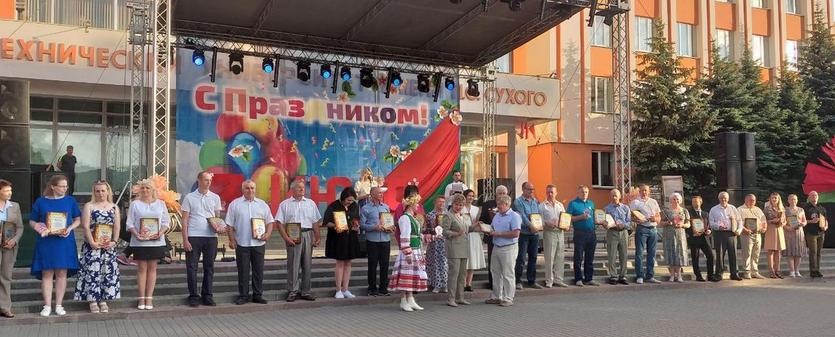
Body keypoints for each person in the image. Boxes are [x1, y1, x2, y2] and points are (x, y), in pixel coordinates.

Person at [30, 174, 81, 317]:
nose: (65, 188)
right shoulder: (41, 201)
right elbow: (32, 221)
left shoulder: (70, 201)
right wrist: (39, 227)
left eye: (66, 186)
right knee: (47, 273)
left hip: (64, 241)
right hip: (46, 242)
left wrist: (69, 229)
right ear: (53, 186)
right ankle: (47, 305)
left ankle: (59, 305)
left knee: (61, 273)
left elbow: (78, 219)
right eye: (62, 186)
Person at [74, 181, 121, 313]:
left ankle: (103, 299)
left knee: (106, 272)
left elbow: (117, 227)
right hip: (92, 246)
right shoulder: (89, 206)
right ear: (94, 192)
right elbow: (85, 226)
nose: (100, 193)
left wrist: (114, 242)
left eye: (103, 190)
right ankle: (92, 300)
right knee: (92, 272)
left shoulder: (114, 207)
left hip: (108, 247)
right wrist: (92, 242)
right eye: (97, 191)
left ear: (108, 191)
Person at [180, 171, 225, 307]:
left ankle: (207, 295)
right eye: (205, 180)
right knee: (192, 267)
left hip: (211, 237)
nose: (208, 182)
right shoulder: (189, 197)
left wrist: (220, 227)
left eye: (210, 180)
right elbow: (185, 220)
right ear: (199, 180)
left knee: (209, 267)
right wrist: (185, 239)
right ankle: (193, 296)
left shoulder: (215, 197)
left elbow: (216, 217)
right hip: (194, 236)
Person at [225, 180, 273, 305]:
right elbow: (229, 224)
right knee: (243, 271)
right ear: (242, 190)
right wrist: (231, 239)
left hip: (259, 244)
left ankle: (257, 295)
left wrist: (267, 234)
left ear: (255, 189)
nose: (250, 190)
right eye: (247, 188)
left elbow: (270, 222)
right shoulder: (235, 204)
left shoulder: (262, 204)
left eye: (252, 188)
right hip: (242, 243)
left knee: (258, 271)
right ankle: (243, 295)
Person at [126, 178, 171, 310]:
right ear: (140, 190)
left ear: (153, 190)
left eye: (148, 188)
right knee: (141, 269)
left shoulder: (161, 204)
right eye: (143, 188)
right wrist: (136, 233)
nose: (145, 190)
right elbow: (129, 223)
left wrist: (160, 232)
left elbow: (166, 222)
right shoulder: (135, 204)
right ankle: (141, 298)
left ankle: (149, 298)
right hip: (140, 241)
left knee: (152, 269)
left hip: (156, 241)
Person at [276, 179, 322, 302]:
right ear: (292, 189)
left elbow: (315, 222)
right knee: (293, 264)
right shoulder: (285, 204)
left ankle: (306, 291)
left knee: (307, 264)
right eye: (299, 187)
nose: (302, 189)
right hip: (293, 236)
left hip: (308, 234)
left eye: (303, 187)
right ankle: (292, 291)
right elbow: (279, 223)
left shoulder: (310, 203)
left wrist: (318, 237)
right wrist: (286, 238)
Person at [389, 193, 428, 312]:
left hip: (415, 249)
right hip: (409, 251)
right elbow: (404, 235)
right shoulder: (405, 218)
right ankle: (403, 300)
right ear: (411, 205)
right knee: (405, 276)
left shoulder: (413, 218)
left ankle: (410, 298)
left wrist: (431, 237)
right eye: (416, 203)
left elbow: (417, 234)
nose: (418, 206)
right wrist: (407, 252)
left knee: (411, 276)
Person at [323, 187, 361, 299]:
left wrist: (356, 225)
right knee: (340, 263)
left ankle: (345, 289)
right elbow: (326, 222)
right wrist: (336, 226)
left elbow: (356, 219)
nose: (350, 202)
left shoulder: (354, 206)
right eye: (348, 200)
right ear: (343, 198)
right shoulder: (333, 206)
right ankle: (338, 290)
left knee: (348, 262)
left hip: (351, 238)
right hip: (338, 238)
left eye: (352, 200)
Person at [485, 195, 521, 307]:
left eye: (500, 204)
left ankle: (508, 298)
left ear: (507, 204)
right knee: (495, 272)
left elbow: (516, 233)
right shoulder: (497, 216)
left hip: (509, 248)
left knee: (508, 273)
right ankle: (496, 296)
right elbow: (492, 228)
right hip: (496, 246)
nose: (498, 206)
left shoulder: (514, 216)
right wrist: (485, 229)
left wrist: (498, 234)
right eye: (498, 204)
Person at [360, 186, 393, 296]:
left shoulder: (386, 207)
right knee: (372, 265)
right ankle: (372, 288)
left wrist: (391, 228)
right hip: (372, 240)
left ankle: (383, 288)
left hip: (385, 239)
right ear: (372, 194)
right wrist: (374, 227)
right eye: (378, 193)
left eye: (381, 193)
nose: (381, 194)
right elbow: (362, 225)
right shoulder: (365, 208)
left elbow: (389, 222)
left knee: (385, 265)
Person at [441, 194, 470, 307]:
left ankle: (460, 297)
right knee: (454, 274)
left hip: (463, 247)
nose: (458, 207)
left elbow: (466, 229)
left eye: (461, 205)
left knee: (462, 274)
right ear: (452, 204)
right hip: (453, 248)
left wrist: (476, 226)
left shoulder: (463, 215)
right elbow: (444, 232)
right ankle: (451, 298)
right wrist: (456, 234)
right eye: (456, 204)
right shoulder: (448, 215)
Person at [629, 184, 661, 284]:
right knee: (639, 253)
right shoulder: (635, 202)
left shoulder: (654, 202)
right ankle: (639, 276)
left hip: (653, 229)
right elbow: (630, 217)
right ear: (639, 191)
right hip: (642, 229)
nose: (644, 192)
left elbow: (659, 217)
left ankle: (650, 276)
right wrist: (637, 219)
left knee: (652, 254)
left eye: (646, 190)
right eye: (642, 190)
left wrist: (654, 219)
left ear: (649, 191)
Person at [0, 179, 23, 318]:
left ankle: (5, 307)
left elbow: (19, 227)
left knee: (6, 277)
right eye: (6, 191)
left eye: (10, 190)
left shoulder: (15, 206)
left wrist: (14, 240)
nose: (10, 193)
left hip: (9, 247)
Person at [512, 182, 542, 290]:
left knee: (533, 257)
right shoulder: (518, 202)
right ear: (523, 189)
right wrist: (530, 225)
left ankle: (531, 281)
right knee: (521, 258)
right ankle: (517, 281)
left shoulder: (535, 202)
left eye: (533, 189)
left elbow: (538, 215)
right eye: (529, 189)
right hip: (524, 234)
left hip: (535, 234)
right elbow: (521, 216)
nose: (531, 191)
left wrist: (538, 226)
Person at [567, 185, 598, 286]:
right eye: (582, 192)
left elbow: (594, 217)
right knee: (578, 257)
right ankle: (578, 279)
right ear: (578, 192)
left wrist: (598, 223)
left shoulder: (591, 203)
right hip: (579, 233)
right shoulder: (573, 203)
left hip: (591, 233)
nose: (584, 194)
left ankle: (589, 278)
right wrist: (581, 217)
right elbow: (568, 218)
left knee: (590, 257)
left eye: (586, 192)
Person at [479, 185, 509, 290]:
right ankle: (493, 284)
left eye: (503, 193)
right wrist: (485, 228)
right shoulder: (488, 204)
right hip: (491, 237)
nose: (501, 195)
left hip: (505, 238)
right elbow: (482, 219)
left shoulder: (509, 205)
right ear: (496, 194)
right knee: (493, 262)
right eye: (499, 193)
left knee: (505, 262)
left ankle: (505, 285)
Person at [709, 191, 743, 281]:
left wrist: (739, 230)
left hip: (731, 233)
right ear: (719, 199)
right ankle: (719, 274)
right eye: (721, 198)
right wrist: (718, 226)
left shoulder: (733, 208)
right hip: (719, 233)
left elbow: (740, 221)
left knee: (733, 254)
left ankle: (734, 273)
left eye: (725, 198)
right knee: (719, 254)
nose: (723, 199)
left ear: (728, 199)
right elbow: (711, 222)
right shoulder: (714, 209)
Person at [541, 184, 568, 288]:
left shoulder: (560, 205)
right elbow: (539, 220)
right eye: (548, 192)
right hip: (549, 232)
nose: (550, 194)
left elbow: (565, 218)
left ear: (556, 193)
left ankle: (559, 279)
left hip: (560, 233)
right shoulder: (542, 205)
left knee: (560, 257)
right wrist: (547, 223)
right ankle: (549, 280)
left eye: (552, 192)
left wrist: (565, 225)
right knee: (549, 258)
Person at [660, 193, 690, 282]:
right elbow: (660, 223)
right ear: (670, 200)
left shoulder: (684, 211)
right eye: (674, 199)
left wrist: (683, 224)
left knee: (679, 253)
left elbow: (689, 224)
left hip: (680, 234)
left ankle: (679, 275)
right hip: (669, 235)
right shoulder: (666, 211)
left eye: (677, 199)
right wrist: (667, 223)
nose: (676, 201)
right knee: (670, 253)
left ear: (680, 201)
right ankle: (672, 275)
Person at [604, 189, 631, 285]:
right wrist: (605, 224)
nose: (614, 197)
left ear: (620, 196)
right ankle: (613, 276)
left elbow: (629, 222)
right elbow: (605, 221)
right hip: (612, 232)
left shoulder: (626, 208)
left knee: (624, 255)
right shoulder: (607, 208)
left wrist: (623, 225)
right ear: (610, 197)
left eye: (616, 195)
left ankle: (623, 275)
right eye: (612, 195)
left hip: (623, 232)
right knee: (612, 255)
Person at [737, 194, 767, 279]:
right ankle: (747, 272)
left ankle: (755, 271)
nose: (752, 202)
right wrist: (745, 229)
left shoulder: (758, 209)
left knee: (756, 253)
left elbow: (763, 220)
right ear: (745, 200)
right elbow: (738, 222)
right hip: (746, 234)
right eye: (750, 200)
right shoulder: (740, 209)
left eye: (753, 200)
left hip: (757, 234)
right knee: (747, 253)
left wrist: (764, 228)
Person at [687, 196, 715, 282]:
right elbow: (687, 226)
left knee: (711, 256)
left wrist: (709, 231)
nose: (695, 203)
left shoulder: (705, 213)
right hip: (694, 238)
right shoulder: (689, 213)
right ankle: (698, 276)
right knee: (695, 258)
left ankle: (710, 275)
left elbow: (709, 225)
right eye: (693, 202)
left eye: (696, 201)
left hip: (704, 238)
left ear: (700, 202)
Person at [464, 189, 486, 292]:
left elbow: (479, 222)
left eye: (472, 196)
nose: (471, 198)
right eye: (469, 195)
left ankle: (469, 284)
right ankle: (463, 283)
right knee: (465, 260)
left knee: (472, 260)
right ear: (465, 196)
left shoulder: (476, 209)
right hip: (464, 235)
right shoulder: (461, 208)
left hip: (474, 236)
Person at [425, 196, 448, 293]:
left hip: (445, 243)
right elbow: (427, 229)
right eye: (439, 202)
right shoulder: (430, 215)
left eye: (443, 202)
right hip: (434, 243)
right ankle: (435, 284)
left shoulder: (447, 215)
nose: (441, 204)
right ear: (435, 202)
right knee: (434, 263)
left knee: (444, 264)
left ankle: (445, 284)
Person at [803, 191, 828, 278]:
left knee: (818, 252)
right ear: (809, 197)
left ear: (818, 197)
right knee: (813, 252)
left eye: (816, 195)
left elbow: (826, 220)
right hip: (811, 232)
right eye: (812, 195)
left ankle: (817, 270)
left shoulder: (821, 208)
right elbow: (802, 221)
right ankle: (813, 271)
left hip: (821, 232)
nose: (814, 197)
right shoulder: (806, 208)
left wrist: (825, 227)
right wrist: (811, 221)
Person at [783, 194, 807, 278]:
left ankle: (797, 271)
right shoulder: (785, 210)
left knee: (798, 253)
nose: (793, 201)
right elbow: (783, 223)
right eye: (791, 199)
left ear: (797, 200)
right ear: (788, 200)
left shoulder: (801, 210)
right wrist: (787, 227)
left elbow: (805, 221)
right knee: (790, 252)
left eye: (795, 199)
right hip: (789, 232)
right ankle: (792, 271)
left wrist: (802, 223)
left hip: (799, 232)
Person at [763, 192, 786, 278]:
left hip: (779, 230)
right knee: (770, 251)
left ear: (778, 199)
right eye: (772, 198)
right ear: (770, 199)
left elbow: (785, 221)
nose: (774, 199)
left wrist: (781, 222)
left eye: (776, 198)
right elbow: (763, 221)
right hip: (770, 229)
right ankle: (771, 270)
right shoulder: (767, 208)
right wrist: (771, 221)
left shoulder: (782, 209)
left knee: (778, 251)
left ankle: (777, 270)